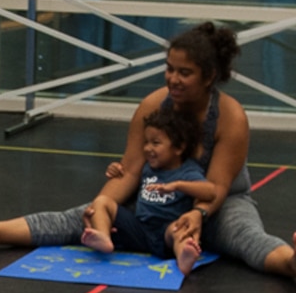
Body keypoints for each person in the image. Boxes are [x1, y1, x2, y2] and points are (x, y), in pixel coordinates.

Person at [0, 22, 296, 288]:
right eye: (169, 69)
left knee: (243, 235)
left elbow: (218, 187)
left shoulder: (230, 116)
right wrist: (100, 205)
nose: (173, 79)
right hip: (158, 195)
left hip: (215, 203)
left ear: (209, 77)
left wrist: (197, 215)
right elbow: (130, 172)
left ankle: (293, 264)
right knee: (79, 217)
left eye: (185, 73)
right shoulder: (152, 106)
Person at [79, 104, 212, 272]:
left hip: (167, 231)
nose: (148, 148)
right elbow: (127, 173)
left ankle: (184, 255)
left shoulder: (188, 171)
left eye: (155, 143)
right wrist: (115, 169)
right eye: (146, 142)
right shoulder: (148, 167)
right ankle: (103, 237)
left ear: (178, 148)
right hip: (140, 227)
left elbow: (210, 191)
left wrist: (177, 185)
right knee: (102, 201)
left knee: (182, 230)